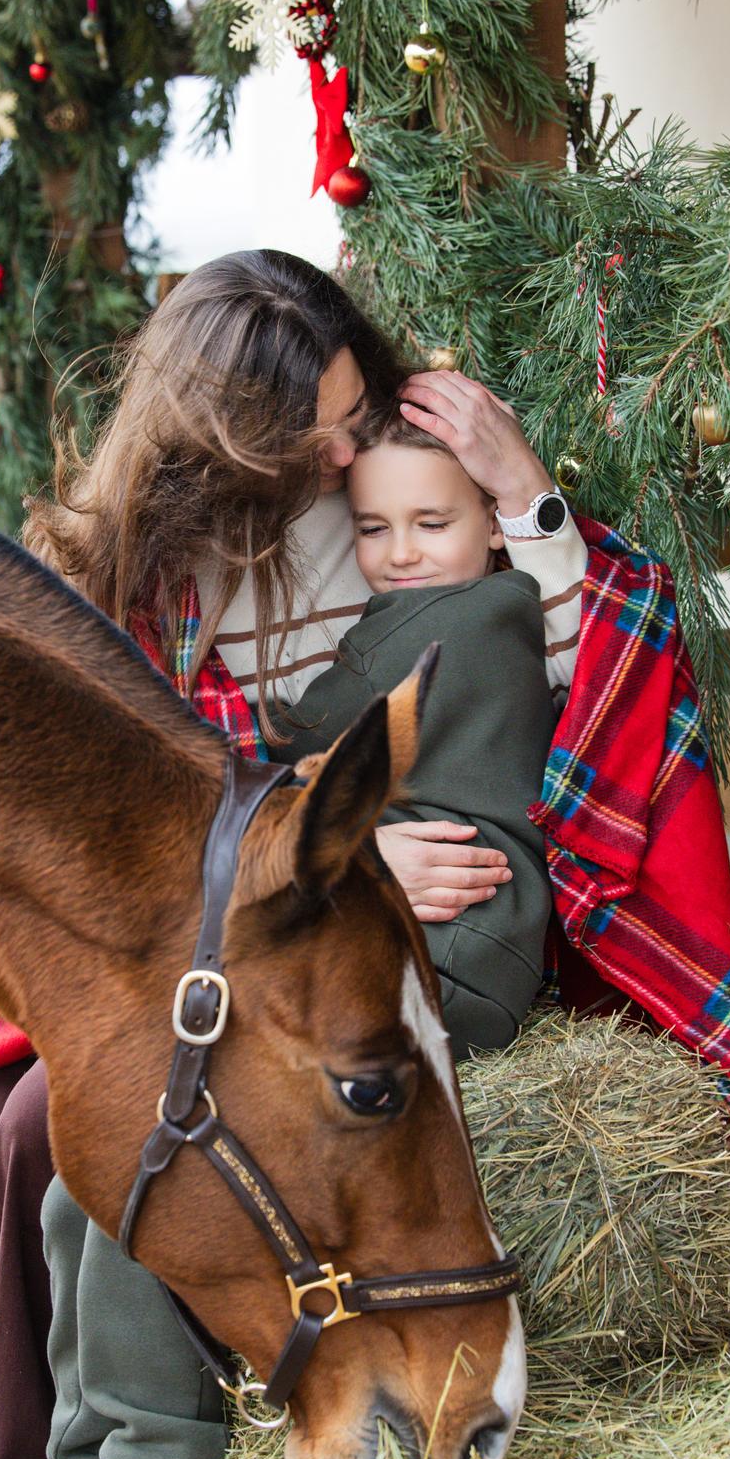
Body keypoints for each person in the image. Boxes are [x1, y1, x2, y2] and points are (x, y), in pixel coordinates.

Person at [0, 250, 587, 1459]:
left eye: (352, 410)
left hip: (280, 962)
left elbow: (547, 651)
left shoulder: (384, 518)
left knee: (76, 1144)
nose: (338, 451)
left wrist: (525, 496)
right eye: (305, 429)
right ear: (211, 435)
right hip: (124, 940)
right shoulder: (106, 568)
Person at [281, 412, 558, 1059]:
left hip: (439, 949)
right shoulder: (513, 613)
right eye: (373, 528)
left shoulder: (434, 628)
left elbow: (294, 740)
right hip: (496, 951)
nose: (401, 552)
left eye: (432, 524)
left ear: (494, 523)